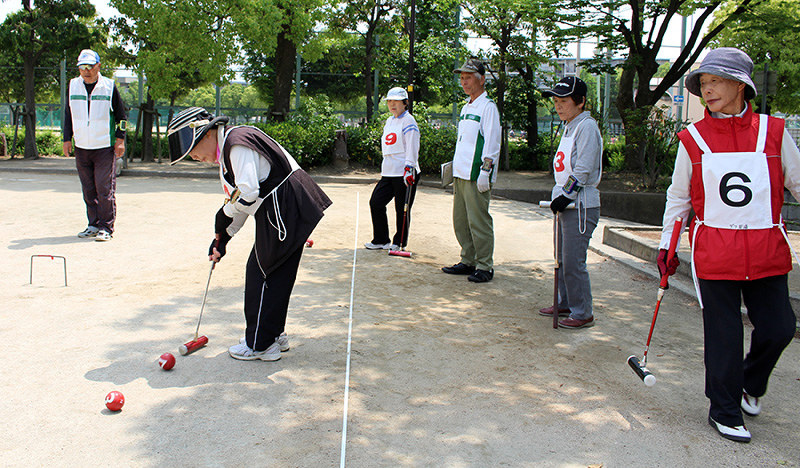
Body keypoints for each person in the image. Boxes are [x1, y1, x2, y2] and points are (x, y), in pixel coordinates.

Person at [658, 47, 800, 443]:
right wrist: (668, 244)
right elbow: (679, 196)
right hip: (715, 252)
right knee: (723, 335)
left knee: (779, 327)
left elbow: (798, 181)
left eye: (716, 81)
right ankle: (723, 410)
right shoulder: (693, 137)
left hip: (766, 248)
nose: (707, 89)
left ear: (741, 86)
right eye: (703, 83)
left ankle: (749, 382)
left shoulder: (774, 131)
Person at [167, 107, 332, 361]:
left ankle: (260, 344)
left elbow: (248, 194)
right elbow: (242, 201)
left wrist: (225, 212)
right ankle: (273, 334)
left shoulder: (235, 144)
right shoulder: (230, 150)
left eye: (193, 153)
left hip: (283, 206)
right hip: (287, 206)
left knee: (262, 273)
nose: (195, 159)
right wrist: (224, 237)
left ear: (205, 134)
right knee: (277, 274)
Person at [538, 76, 603, 329]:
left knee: (574, 261)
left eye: (564, 101)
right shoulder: (570, 125)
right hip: (566, 204)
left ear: (581, 102)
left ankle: (583, 311)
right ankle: (566, 302)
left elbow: (583, 169)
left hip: (581, 204)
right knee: (561, 259)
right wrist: (561, 197)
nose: (558, 106)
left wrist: (566, 195)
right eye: (556, 101)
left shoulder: (586, 127)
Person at [441, 58, 501, 283]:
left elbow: (492, 143)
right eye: (462, 78)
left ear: (482, 79)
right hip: (461, 173)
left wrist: (486, 171)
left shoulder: (488, 107)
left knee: (479, 221)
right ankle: (468, 260)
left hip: (477, 175)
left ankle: (485, 265)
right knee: (461, 221)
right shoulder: (467, 106)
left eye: (469, 77)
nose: (464, 82)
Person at [62, 49, 127, 242]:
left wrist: (120, 139)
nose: (86, 71)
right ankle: (93, 224)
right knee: (88, 188)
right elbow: (68, 114)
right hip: (82, 146)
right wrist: (67, 138)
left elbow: (121, 116)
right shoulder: (73, 85)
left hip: (104, 146)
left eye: (90, 66)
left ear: (98, 66)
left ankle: (106, 227)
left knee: (104, 188)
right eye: (82, 67)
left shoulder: (109, 86)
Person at [365, 87, 421, 250]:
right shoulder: (390, 121)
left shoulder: (409, 121)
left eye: (396, 101)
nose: (392, 104)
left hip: (404, 172)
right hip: (389, 172)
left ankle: (400, 242)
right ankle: (381, 239)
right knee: (376, 202)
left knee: (401, 208)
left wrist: (410, 167)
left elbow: (412, 145)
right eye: (390, 101)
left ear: (405, 103)